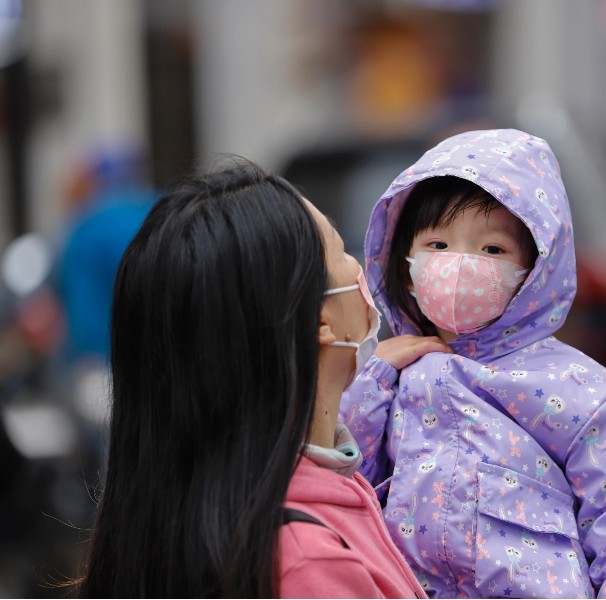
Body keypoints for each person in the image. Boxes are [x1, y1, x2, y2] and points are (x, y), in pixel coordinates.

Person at [339, 129, 606, 598]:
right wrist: (373, 380)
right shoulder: (388, 381)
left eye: (492, 249)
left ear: (535, 271)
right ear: (403, 260)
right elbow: (342, 488)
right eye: (437, 245)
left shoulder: (580, 393)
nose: (460, 265)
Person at [78, 159, 436, 598]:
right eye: (342, 251)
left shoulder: (198, 519)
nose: (360, 269)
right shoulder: (308, 564)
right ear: (317, 318)